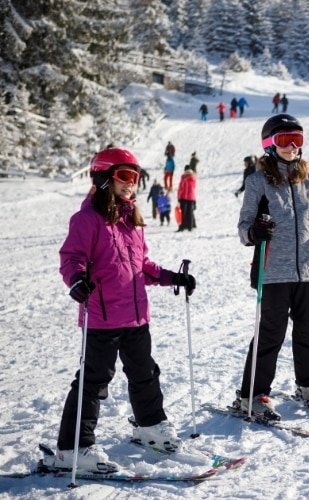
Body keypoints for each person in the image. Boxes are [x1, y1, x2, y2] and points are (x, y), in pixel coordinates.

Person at [46, 147, 195, 472]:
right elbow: (70, 258)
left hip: (136, 317)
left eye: (135, 178)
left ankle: (150, 427)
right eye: (124, 176)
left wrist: (174, 278)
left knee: (145, 373)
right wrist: (76, 281)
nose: (131, 184)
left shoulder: (132, 220)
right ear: (103, 178)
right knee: (94, 381)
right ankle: (74, 449)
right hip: (101, 317)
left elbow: (142, 266)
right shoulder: (86, 219)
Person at [233, 113, 309, 420]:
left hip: (307, 270)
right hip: (273, 270)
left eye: (297, 140)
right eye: (284, 140)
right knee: (270, 334)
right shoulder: (257, 182)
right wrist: (256, 233)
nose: (291, 147)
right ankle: (253, 394)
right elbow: (243, 228)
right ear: (270, 145)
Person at [176, 165, 197, 232]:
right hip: (187, 197)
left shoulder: (191, 177)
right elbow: (180, 188)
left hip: (187, 197)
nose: (187, 173)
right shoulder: (185, 177)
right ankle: (186, 227)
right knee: (186, 213)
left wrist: (179, 197)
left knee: (187, 213)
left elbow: (182, 188)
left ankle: (187, 227)